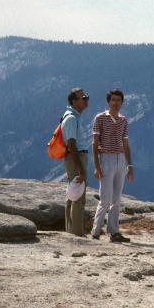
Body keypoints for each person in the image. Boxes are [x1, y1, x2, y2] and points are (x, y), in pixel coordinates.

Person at [91, 88, 134, 242]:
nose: (116, 103)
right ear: (108, 102)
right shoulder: (100, 118)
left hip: (120, 159)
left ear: (122, 102)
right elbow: (95, 143)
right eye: (113, 100)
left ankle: (114, 232)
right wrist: (97, 166)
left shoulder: (123, 120)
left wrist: (130, 166)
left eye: (119, 100)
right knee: (105, 198)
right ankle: (95, 231)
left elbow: (126, 144)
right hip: (106, 158)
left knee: (117, 199)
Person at [62, 88, 90, 236]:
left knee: (72, 194)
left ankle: (70, 230)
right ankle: (77, 233)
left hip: (74, 157)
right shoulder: (72, 118)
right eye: (83, 98)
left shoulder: (72, 116)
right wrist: (80, 168)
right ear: (74, 101)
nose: (86, 100)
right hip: (76, 157)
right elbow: (71, 144)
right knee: (79, 195)